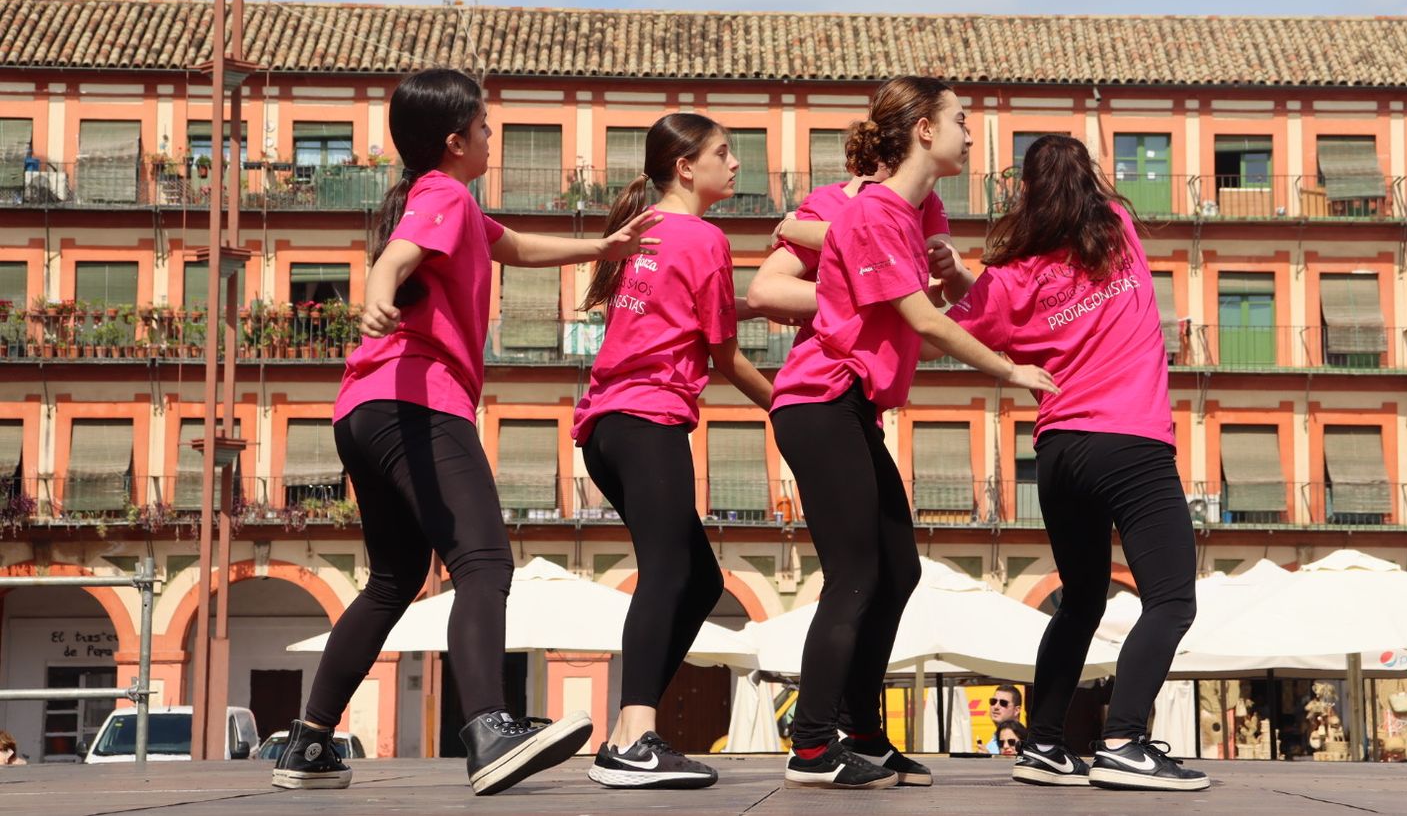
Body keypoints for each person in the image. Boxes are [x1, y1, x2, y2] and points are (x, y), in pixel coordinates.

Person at [273, 69, 659, 797]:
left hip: (362, 408)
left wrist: (601, 250)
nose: (493, 136)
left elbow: (511, 244)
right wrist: (377, 299)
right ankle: (488, 727)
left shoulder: (446, 202)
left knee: (391, 580)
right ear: (454, 143)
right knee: (483, 562)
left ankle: (309, 742)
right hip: (416, 402)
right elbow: (392, 262)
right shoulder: (445, 194)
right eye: (484, 126)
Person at [769, 76, 1059, 790]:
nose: (971, 131)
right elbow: (925, 321)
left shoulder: (910, 211)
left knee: (898, 568)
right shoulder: (874, 213)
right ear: (924, 129)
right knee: (856, 575)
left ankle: (861, 730)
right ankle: (811, 744)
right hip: (818, 400)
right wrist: (1011, 369)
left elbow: (931, 301)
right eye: (961, 119)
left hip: (850, 407)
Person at [946, 134, 1206, 792]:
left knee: (1081, 600)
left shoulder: (1013, 276)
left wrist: (960, 277)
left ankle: (1044, 743)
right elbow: (1086, 225)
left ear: (1026, 194)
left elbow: (972, 323)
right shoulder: (1116, 231)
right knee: (1171, 598)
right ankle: (1122, 740)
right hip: (1130, 442)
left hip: (1059, 451)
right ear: (1090, 180)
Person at [575, 113, 774, 790]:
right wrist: (786, 405)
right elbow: (723, 353)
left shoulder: (646, 231)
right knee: (664, 573)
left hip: (608, 429)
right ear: (686, 167)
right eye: (724, 152)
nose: (736, 164)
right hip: (647, 419)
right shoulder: (704, 236)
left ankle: (627, 734)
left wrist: (763, 305)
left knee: (703, 581)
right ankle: (635, 738)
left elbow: (698, 313)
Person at [749, 161, 973, 330]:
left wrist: (950, 273)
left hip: (888, 371)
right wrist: (876, 296)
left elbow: (948, 292)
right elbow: (763, 291)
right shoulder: (827, 204)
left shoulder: (926, 201)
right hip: (834, 369)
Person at [983, 685, 1025, 753]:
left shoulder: (1028, 743)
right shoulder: (990, 745)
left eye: (1003, 703)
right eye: (993, 701)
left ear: (1017, 710)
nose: (996, 706)